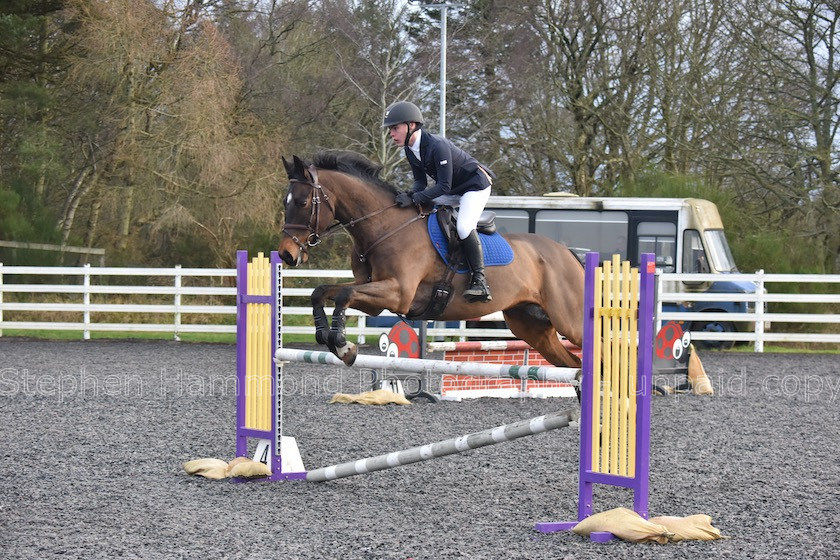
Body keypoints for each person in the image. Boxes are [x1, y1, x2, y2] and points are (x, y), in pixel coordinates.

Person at [383, 100, 494, 303]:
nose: (391, 134)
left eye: (395, 128)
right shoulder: (410, 149)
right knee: (419, 209)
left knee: (463, 227)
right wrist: (408, 195)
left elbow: (442, 186)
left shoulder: (437, 145)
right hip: (452, 189)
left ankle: (480, 281)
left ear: (411, 125)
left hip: (474, 186)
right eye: (391, 129)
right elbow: (420, 182)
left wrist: (416, 196)